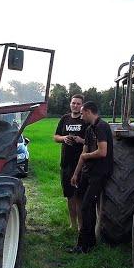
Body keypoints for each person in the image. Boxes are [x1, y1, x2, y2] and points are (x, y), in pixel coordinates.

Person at [68, 101, 113, 253]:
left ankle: (84, 245)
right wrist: (76, 173)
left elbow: (103, 152)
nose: (81, 116)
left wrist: (86, 155)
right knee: (82, 203)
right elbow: (84, 152)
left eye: (82, 113)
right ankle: (89, 241)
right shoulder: (89, 130)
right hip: (87, 172)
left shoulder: (102, 127)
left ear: (88, 111)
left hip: (99, 173)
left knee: (87, 206)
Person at [53, 94, 87, 231]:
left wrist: (81, 140)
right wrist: (64, 138)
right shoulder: (65, 119)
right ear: (70, 104)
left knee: (79, 196)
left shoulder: (85, 120)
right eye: (73, 103)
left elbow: (92, 141)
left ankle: (81, 226)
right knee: (69, 196)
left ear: (82, 106)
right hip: (66, 163)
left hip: (80, 164)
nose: (75, 105)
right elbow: (55, 137)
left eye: (78, 104)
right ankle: (72, 224)